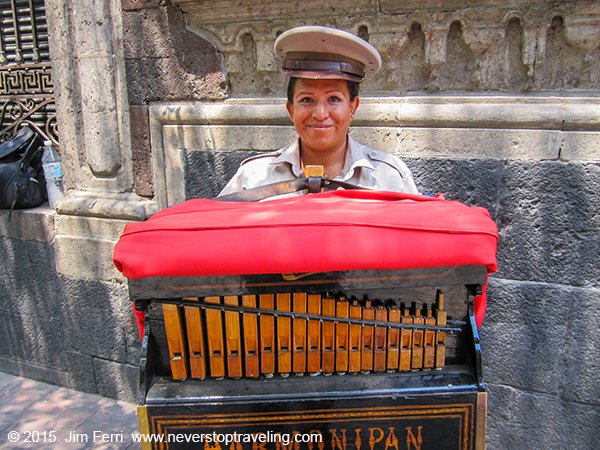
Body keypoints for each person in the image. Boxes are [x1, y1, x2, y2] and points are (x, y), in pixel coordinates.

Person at [218, 26, 419, 198]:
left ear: (353, 107)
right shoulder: (253, 178)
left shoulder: (389, 178)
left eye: (334, 99)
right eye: (306, 100)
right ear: (291, 110)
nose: (320, 114)